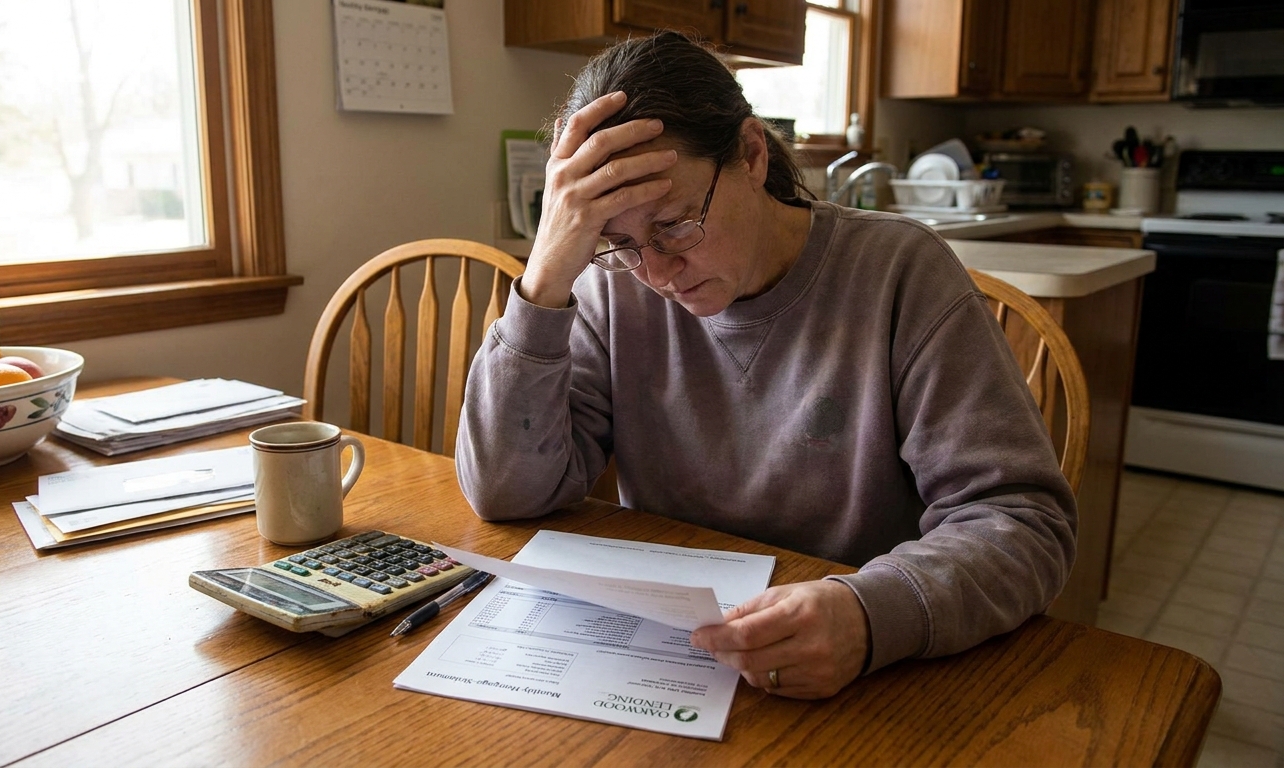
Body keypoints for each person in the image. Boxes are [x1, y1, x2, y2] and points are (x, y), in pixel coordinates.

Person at [455, 31, 1076, 699]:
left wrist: (869, 615)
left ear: (751, 154)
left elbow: (1021, 523)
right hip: (679, 663)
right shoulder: (613, 287)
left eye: (673, 223)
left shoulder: (900, 273)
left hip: (861, 676)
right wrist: (547, 275)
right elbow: (506, 492)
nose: (657, 272)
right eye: (620, 243)